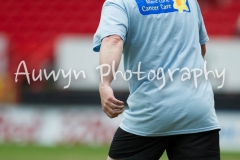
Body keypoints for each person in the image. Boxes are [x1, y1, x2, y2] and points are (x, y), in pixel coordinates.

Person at [93, 0, 221, 159]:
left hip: (151, 111)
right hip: (197, 111)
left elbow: (113, 40)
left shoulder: (119, 3)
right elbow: (201, 48)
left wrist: (105, 83)